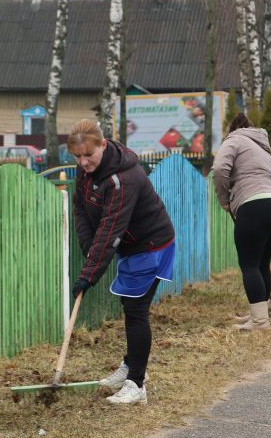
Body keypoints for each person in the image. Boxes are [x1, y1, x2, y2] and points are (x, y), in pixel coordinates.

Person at [68, 119, 175, 405]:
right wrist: (88, 247)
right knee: (131, 307)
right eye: (77, 157)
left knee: (136, 310)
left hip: (151, 245)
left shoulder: (123, 179)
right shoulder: (86, 171)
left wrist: (89, 275)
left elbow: (110, 228)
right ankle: (132, 365)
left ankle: (137, 384)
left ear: (103, 144)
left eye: (88, 155)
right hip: (131, 246)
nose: (83, 162)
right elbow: (81, 207)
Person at [212, 113, 271, 331]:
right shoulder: (261, 146)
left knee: (249, 265)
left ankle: (259, 322)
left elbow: (219, 170)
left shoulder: (234, 140)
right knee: (262, 263)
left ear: (231, 129)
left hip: (255, 205)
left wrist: (224, 199)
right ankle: (259, 315)